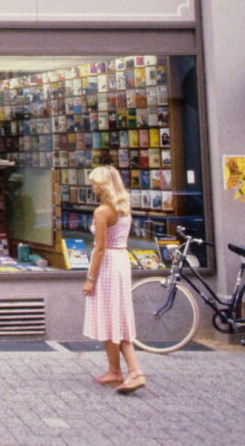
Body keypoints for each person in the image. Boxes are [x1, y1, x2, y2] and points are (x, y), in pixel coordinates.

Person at [83, 165, 145, 394]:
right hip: (121, 260)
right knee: (115, 316)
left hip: (107, 264)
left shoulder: (102, 212)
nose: (92, 188)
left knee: (110, 317)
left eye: (95, 184)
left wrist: (90, 278)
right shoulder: (123, 209)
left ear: (103, 186)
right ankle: (114, 370)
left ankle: (133, 371)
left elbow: (100, 248)